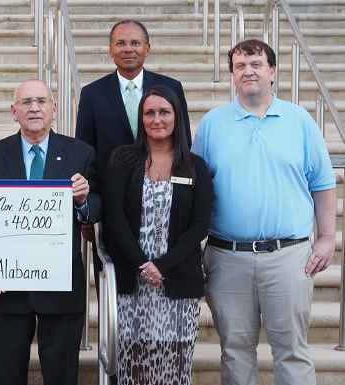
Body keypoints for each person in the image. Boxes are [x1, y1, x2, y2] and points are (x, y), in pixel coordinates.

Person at [192, 39, 336, 384]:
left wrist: (328, 238)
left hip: (289, 256)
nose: (248, 71)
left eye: (256, 64)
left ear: (272, 71)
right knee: (235, 352)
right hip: (227, 257)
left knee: (292, 351)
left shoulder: (299, 120)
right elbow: (194, 189)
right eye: (240, 66)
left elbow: (323, 183)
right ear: (232, 76)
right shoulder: (212, 124)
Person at [0, 79, 101, 385]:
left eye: (42, 101)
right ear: (14, 112)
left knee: (62, 375)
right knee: (3, 375)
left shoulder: (81, 154)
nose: (34, 108)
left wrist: (82, 201)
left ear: (54, 109)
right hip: (4, 285)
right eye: (26, 102)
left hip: (60, 285)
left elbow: (97, 208)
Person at [103, 85, 213, 384]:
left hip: (177, 283)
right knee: (133, 364)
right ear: (141, 119)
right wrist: (143, 264)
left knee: (174, 367)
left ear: (177, 116)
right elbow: (115, 217)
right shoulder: (123, 160)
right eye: (149, 113)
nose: (156, 119)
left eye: (164, 112)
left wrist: (161, 266)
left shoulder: (195, 166)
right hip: (132, 283)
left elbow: (200, 225)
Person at [76, 19, 191, 178]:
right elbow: (85, 150)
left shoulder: (172, 87)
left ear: (147, 49)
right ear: (111, 50)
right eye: (120, 43)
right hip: (110, 191)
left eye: (135, 43)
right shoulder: (92, 93)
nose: (128, 49)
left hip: (161, 186)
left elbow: (183, 141)